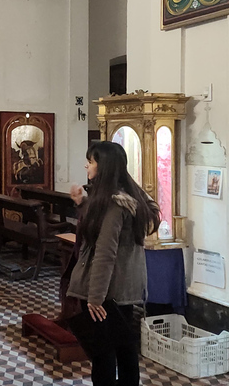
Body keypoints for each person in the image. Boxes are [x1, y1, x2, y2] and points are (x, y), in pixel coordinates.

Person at [67, 141, 161, 386]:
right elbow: (110, 231)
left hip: (108, 291)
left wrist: (94, 297)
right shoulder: (128, 197)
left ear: (105, 166)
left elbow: (106, 252)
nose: (87, 165)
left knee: (104, 353)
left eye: (92, 160)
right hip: (124, 288)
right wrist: (82, 204)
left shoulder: (114, 203)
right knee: (124, 346)